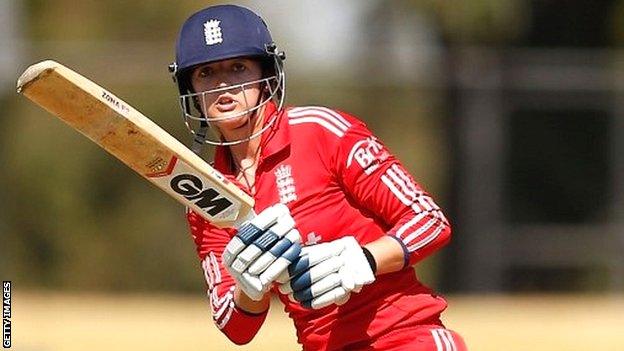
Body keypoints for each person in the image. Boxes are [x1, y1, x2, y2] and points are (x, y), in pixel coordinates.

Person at [169, 4, 467, 351]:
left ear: (266, 75)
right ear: (190, 88)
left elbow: (430, 220)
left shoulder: (322, 132)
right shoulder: (205, 195)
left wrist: (364, 260)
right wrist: (248, 288)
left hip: (406, 336)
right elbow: (234, 327)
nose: (223, 84)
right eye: (206, 72)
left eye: (238, 67)